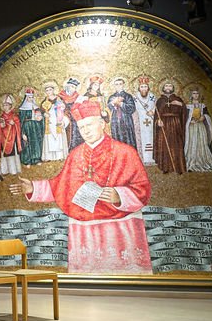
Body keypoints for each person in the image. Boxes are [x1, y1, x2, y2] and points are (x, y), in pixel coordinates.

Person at [9, 100, 153, 275]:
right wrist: (33, 188)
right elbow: (60, 185)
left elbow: (142, 189)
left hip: (119, 228)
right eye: (81, 127)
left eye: (89, 125)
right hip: (83, 230)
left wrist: (119, 195)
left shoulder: (126, 152)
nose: (86, 131)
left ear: (102, 124)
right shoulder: (75, 155)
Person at [154, 80, 187, 174]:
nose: (168, 87)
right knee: (164, 144)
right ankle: (166, 167)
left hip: (175, 124)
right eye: (166, 86)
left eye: (170, 86)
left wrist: (181, 105)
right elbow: (157, 114)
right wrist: (158, 121)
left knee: (176, 144)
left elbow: (184, 111)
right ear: (163, 88)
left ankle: (178, 167)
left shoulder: (178, 99)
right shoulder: (160, 100)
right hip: (163, 124)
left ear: (173, 88)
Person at [184, 87, 212, 172]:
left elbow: (207, 115)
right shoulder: (188, 106)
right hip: (191, 127)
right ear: (191, 95)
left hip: (200, 126)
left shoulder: (203, 105)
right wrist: (190, 120)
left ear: (199, 95)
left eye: (197, 93)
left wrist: (204, 117)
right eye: (194, 93)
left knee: (201, 142)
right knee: (192, 142)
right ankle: (192, 161)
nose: (196, 95)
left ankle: (203, 161)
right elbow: (185, 117)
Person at [39, 81, 68, 162]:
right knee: (50, 139)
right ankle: (49, 157)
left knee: (59, 138)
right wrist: (44, 114)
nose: (49, 92)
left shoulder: (59, 99)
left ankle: (60, 156)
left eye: (50, 90)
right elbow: (41, 111)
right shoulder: (44, 101)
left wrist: (62, 112)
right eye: (47, 90)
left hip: (58, 121)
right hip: (49, 122)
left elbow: (65, 110)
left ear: (53, 90)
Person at [132, 76, 157, 166]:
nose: (143, 89)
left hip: (150, 120)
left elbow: (156, 106)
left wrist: (153, 111)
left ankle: (151, 159)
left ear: (148, 87)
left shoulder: (152, 96)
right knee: (141, 138)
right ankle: (143, 159)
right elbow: (133, 108)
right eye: (142, 87)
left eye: (145, 86)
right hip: (139, 120)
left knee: (150, 137)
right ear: (139, 88)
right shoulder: (135, 97)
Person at [106, 76, 137, 148]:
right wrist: (113, 103)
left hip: (126, 121)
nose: (118, 86)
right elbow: (109, 107)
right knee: (117, 139)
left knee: (128, 139)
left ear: (123, 85)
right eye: (116, 84)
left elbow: (132, 108)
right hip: (115, 121)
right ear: (114, 86)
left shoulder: (128, 96)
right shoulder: (112, 97)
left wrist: (121, 104)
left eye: (120, 84)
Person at [0, 93, 22, 175]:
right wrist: (2, 125)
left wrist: (14, 123)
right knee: (4, 154)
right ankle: (5, 170)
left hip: (12, 137)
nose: (5, 107)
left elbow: (18, 125)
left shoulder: (14, 116)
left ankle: (13, 170)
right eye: (4, 105)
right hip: (4, 138)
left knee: (13, 154)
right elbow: (0, 127)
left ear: (10, 106)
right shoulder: (1, 117)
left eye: (7, 105)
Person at [18, 87, 43, 166]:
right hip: (27, 127)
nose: (31, 99)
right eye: (29, 97)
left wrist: (41, 118)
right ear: (26, 97)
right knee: (27, 144)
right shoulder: (22, 109)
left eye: (32, 97)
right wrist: (22, 133)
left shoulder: (36, 107)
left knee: (36, 143)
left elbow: (40, 117)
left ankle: (36, 159)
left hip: (35, 127)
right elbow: (21, 122)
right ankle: (27, 161)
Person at [58, 77, 84, 150]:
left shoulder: (77, 96)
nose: (73, 89)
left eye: (75, 87)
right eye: (72, 86)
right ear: (67, 86)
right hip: (65, 118)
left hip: (75, 118)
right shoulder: (60, 96)